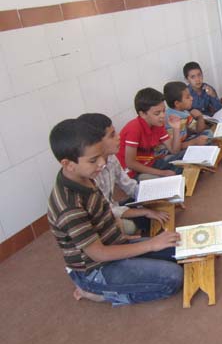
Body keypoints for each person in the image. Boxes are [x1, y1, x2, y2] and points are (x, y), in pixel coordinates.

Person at [47, 118, 182, 306]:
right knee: (173, 277)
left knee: (180, 248)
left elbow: (107, 213)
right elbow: (99, 254)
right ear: (68, 164)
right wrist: (150, 244)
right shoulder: (69, 207)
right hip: (96, 269)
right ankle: (100, 293)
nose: (102, 163)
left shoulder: (85, 176)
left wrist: (127, 238)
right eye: (94, 160)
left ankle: (123, 274)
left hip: (114, 245)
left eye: (101, 156)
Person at [77, 113, 170, 236]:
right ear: (95, 143)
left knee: (157, 198)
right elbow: (108, 210)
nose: (118, 137)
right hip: (102, 217)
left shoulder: (111, 158)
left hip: (112, 206)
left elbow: (129, 185)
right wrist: (145, 211)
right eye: (112, 135)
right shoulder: (91, 173)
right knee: (130, 226)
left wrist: (159, 196)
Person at [116, 87, 184, 179]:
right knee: (161, 180)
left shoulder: (158, 124)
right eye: (157, 113)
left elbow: (174, 151)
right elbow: (130, 163)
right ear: (143, 114)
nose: (163, 116)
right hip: (133, 173)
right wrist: (162, 173)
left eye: (164, 111)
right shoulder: (134, 128)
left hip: (150, 164)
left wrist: (176, 128)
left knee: (184, 160)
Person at [163, 81, 212, 148]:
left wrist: (200, 117)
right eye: (187, 97)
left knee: (208, 133)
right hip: (173, 149)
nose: (192, 98)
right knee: (206, 139)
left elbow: (198, 130)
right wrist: (194, 142)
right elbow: (174, 148)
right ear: (177, 103)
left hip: (184, 141)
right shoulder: (170, 119)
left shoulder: (184, 113)